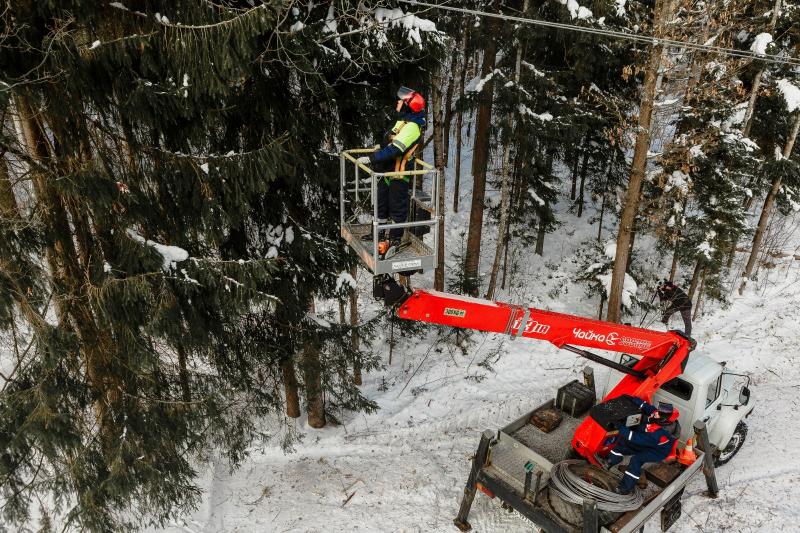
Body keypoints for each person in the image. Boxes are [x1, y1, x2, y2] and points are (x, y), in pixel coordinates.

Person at [356, 86, 426, 257]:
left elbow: (395, 149)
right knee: (381, 205)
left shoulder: (412, 127)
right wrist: (379, 147)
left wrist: (372, 158)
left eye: (400, 101)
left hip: (399, 174)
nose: (397, 102)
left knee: (397, 207)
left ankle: (394, 239)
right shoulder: (402, 121)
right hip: (387, 172)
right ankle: (378, 234)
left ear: (408, 106)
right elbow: (390, 139)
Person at [605, 397, 680, 494]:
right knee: (622, 441)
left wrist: (619, 427)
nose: (656, 412)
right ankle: (612, 460)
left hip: (657, 451)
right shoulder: (660, 416)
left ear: (664, 420)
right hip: (648, 440)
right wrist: (631, 398)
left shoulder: (660, 434)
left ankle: (625, 488)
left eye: (659, 413)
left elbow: (634, 437)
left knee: (636, 460)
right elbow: (646, 406)